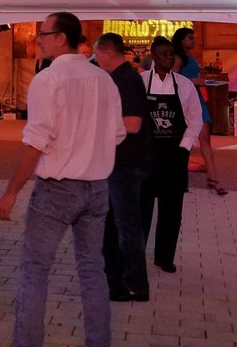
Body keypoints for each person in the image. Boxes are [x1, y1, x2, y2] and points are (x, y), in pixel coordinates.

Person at [0, 12, 125, 347]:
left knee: (35, 271)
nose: (38, 39)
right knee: (92, 270)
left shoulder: (48, 80)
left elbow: (36, 141)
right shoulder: (104, 80)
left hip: (57, 189)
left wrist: (11, 191)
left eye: (44, 33)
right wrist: (89, 148)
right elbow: (119, 134)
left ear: (61, 37)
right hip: (97, 188)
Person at [94, 33, 151, 302]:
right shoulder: (117, 78)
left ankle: (135, 284)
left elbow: (133, 124)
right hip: (115, 162)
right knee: (111, 223)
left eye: (96, 54)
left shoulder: (127, 80)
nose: (94, 60)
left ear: (107, 53)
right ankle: (113, 278)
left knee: (127, 224)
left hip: (126, 163)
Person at [140, 35, 203, 273]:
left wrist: (185, 146)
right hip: (146, 156)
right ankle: (137, 254)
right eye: (164, 53)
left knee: (171, 209)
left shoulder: (184, 85)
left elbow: (195, 119)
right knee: (141, 209)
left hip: (175, 156)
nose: (169, 57)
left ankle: (164, 258)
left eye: (171, 54)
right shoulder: (140, 82)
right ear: (153, 57)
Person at [171, 27, 226, 195]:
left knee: (205, 140)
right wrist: (194, 80)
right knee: (186, 142)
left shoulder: (189, 56)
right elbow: (173, 78)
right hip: (186, 102)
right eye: (190, 38)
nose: (193, 41)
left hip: (196, 100)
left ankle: (213, 177)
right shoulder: (178, 57)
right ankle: (190, 179)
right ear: (181, 40)